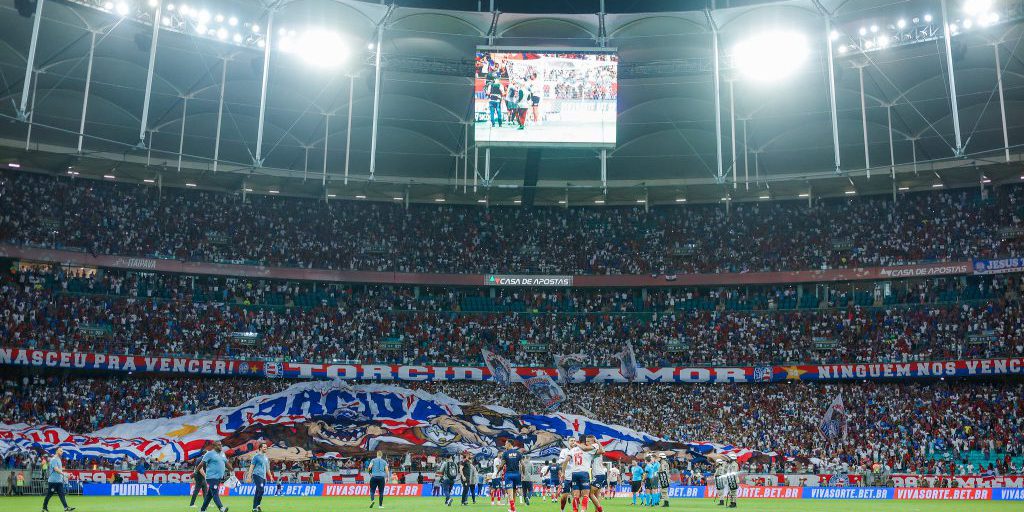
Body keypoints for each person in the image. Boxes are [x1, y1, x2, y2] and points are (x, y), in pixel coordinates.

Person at [562, 437, 594, 512]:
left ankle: (575, 510)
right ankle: (583, 510)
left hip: (574, 474)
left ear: (579, 441)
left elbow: (566, 461)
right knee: (586, 495)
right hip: (584, 473)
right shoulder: (588, 449)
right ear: (585, 441)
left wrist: (563, 472)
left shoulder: (573, 450)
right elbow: (601, 451)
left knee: (576, 495)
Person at [199, 441, 232, 512]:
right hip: (211, 477)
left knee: (209, 495)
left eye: (221, 445)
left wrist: (231, 470)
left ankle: (202, 510)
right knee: (215, 492)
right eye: (219, 445)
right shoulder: (209, 454)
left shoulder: (222, 453)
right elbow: (202, 463)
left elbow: (226, 463)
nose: (220, 446)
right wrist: (195, 471)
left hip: (218, 477)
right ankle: (221, 508)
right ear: (214, 446)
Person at [42, 447, 75, 512]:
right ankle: (44, 508)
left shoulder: (59, 459)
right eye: (60, 451)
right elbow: (56, 469)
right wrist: (64, 474)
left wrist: (66, 475)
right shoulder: (54, 459)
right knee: (49, 495)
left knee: (62, 495)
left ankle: (66, 508)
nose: (62, 452)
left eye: (62, 451)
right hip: (53, 481)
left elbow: (60, 470)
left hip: (59, 481)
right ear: (57, 451)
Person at [497, 440, 525, 512]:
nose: (505, 445)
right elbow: (523, 465)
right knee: (514, 492)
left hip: (509, 474)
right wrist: (523, 474)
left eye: (505, 444)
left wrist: (497, 472)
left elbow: (502, 465)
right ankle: (512, 508)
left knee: (510, 493)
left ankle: (513, 508)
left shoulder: (505, 453)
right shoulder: (518, 453)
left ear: (509, 444)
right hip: (517, 474)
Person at [245, 443, 272, 512]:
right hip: (256, 475)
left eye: (266, 447)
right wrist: (249, 477)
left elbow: (267, 468)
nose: (265, 448)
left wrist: (270, 476)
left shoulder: (266, 457)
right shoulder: (256, 456)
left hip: (263, 477)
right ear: (260, 448)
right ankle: (258, 505)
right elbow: (251, 467)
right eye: (264, 447)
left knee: (257, 492)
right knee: (261, 490)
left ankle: (254, 508)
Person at [587, 436, 606, 512]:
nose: (586, 443)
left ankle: (600, 510)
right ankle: (597, 511)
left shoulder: (595, 447)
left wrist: (597, 441)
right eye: (586, 441)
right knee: (596, 495)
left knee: (590, 493)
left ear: (593, 441)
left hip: (599, 474)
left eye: (588, 441)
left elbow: (603, 451)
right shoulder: (592, 448)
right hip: (597, 474)